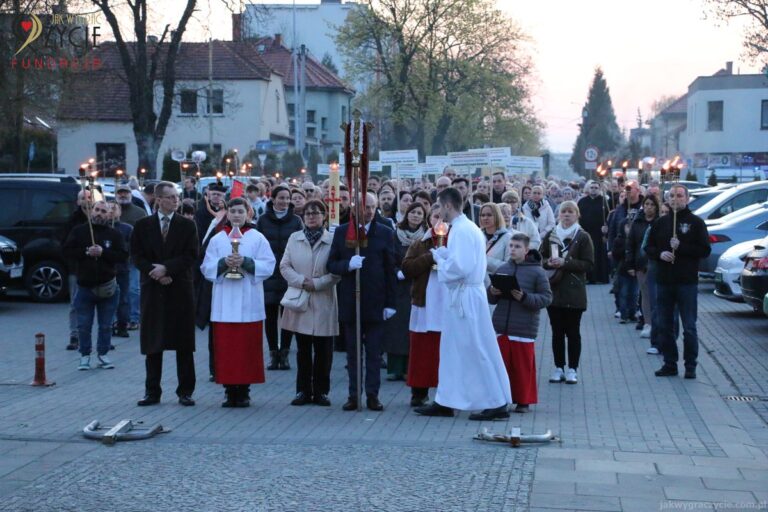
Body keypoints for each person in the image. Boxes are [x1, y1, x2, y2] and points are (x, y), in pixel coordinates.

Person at [414, 187, 511, 420]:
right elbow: (462, 261)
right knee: (452, 350)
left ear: (448, 205)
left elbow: (461, 268)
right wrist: (446, 256)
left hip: (465, 297)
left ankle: (495, 401)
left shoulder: (463, 230)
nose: (438, 211)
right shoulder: (462, 228)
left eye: (439, 206)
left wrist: (441, 260)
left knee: (475, 347)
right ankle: (447, 399)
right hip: (462, 295)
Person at [201, 197, 275, 407]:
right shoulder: (218, 239)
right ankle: (228, 390)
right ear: (227, 213)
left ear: (248, 213)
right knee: (227, 349)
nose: (236, 215)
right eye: (232, 211)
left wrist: (247, 263)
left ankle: (244, 390)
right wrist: (224, 263)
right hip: (224, 302)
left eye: (240, 212)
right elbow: (206, 267)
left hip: (248, 301)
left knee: (246, 349)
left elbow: (269, 264)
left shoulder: (257, 237)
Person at [131, 181, 199, 406]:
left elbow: (191, 255)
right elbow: (137, 255)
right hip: (153, 289)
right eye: (170, 197)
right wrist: (155, 271)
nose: (175, 200)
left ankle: (185, 391)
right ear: (158, 199)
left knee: (183, 343)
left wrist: (168, 269)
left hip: (179, 287)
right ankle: (152, 391)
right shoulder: (143, 225)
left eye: (177, 196)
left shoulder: (187, 225)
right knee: (153, 342)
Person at [327, 192, 396, 412]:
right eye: (363, 206)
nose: (367, 210)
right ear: (355, 207)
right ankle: (353, 394)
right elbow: (331, 264)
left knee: (374, 354)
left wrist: (391, 303)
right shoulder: (341, 232)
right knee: (353, 354)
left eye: (371, 207)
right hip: (351, 301)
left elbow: (390, 270)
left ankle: (373, 395)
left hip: (376, 302)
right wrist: (348, 264)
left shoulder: (385, 233)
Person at [646, 184, 711, 379]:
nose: (676, 199)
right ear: (667, 199)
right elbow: (648, 247)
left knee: (689, 326)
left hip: (687, 282)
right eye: (672, 196)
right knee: (665, 325)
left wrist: (681, 247)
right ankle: (669, 363)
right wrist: (660, 253)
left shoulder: (696, 223)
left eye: (680, 196)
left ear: (687, 199)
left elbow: (704, 250)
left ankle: (690, 365)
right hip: (664, 281)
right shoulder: (660, 223)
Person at [280, 200, 341, 406]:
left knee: (324, 350)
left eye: (315, 213)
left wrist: (318, 283)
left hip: (323, 298)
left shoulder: (333, 240)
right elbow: (285, 265)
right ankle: (303, 391)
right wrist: (301, 281)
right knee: (303, 349)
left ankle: (321, 391)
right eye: (307, 214)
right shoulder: (294, 238)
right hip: (301, 298)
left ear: (324, 216)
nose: (311, 217)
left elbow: (336, 271)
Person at [488, 233, 552, 413]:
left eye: (517, 247)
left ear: (526, 250)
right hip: (502, 326)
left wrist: (525, 297)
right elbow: (491, 299)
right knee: (502, 367)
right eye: (511, 246)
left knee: (522, 368)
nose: (513, 249)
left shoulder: (537, 271)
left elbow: (546, 298)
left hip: (524, 327)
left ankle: (523, 401)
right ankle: (501, 399)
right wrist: (492, 291)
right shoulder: (503, 268)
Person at [63, 200, 128, 370]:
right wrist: (86, 252)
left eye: (103, 211)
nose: (99, 213)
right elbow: (67, 251)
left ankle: (103, 353)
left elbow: (122, 256)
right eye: (97, 210)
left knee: (105, 325)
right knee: (84, 325)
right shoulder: (79, 231)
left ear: (109, 214)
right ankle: (84, 355)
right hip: (84, 286)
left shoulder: (114, 234)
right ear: (91, 212)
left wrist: (103, 252)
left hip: (107, 287)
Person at [540, 201, 594, 385]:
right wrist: (549, 263)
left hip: (574, 291)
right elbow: (541, 257)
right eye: (563, 211)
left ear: (577, 215)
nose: (566, 215)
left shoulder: (583, 237)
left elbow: (589, 263)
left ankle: (572, 368)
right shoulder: (551, 234)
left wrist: (566, 263)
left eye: (570, 212)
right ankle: (558, 367)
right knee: (556, 332)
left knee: (573, 331)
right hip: (554, 289)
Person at [401, 204, 449, 407]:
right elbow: (407, 268)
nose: (439, 222)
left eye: (443, 218)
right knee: (422, 348)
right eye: (435, 216)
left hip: (447, 303)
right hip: (424, 301)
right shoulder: (420, 242)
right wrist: (430, 257)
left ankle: (446, 392)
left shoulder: (456, 240)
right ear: (429, 219)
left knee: (444, 349)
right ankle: (419, 391)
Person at [257, 185, 304, 370]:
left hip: (288, 275)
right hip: (268, 274)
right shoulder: (262, 220)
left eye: (287, 198)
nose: (284, 201)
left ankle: (284, 353)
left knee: (288, 316)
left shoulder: (296, 221)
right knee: (269, 317)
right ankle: (272, 353)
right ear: (273, 199)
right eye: (281, 198)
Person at [386, 202, 428, 381]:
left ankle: (410, 368)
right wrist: (397, 271)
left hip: (417, 284)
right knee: (397, 328)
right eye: (413, 212)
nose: (416, 215)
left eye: (419, 213)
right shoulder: (395, 234)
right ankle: (396, 368)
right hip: (399, 286)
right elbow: (389, 257)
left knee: (414, 328)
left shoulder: (426, 237)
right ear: (407, 214)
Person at [626, 194, 659, 339]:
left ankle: (657, 322)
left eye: (652, 204)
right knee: (645, 294)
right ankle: (648, 323)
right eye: (646, 204)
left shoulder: (659, 222)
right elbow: (631, 244)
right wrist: (630, 264)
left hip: (656, 263)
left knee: (656, 295)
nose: (649, 207)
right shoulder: (637, 222)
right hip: (641, 264)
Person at [64, 189, 92, 350]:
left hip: (98, 270)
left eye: (89, 197)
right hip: (77, 269)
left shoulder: (98, 219)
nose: (86, 201)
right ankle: (75, 334)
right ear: (78, 202)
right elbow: (66, 247)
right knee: (76, 303)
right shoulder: (73, 222)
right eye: (82, 198)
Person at [108, 202, 133, 339]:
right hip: (107, 270)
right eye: (109, 209)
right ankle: (108, 326)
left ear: (120, 212)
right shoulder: (103, 228)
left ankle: (122, 325)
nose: (111, 212)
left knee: (123, 298)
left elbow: (132, 246)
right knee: (107, 299)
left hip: (122, 269)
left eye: (114, 209)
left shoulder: (127, 229)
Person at [577, 180, 610, 283]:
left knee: (599, 255)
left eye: (596, 188)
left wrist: (606, 227)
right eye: (592, 188)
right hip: (586, 232)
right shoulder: (582, 201)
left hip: (599, 233)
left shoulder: (604, 201)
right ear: (588, 189)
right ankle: (588, 277)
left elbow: (609, 216)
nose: (594, 190)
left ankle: (600, 277)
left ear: (599, 189)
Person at [480, 202, 511, 279]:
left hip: (495, 284)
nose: (485, 218)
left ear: (497, 216)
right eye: (482, 215)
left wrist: (484, 260)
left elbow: (509, 267)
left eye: (489, 215)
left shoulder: (508, 237)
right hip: (477, 284)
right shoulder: (477, 235)